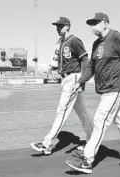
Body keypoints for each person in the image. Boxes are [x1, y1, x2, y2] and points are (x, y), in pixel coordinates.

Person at [66, 12, 120, 174]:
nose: (92, 27)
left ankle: (87, 160)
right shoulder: (97, 44)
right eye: (91, 24)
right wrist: (80, 82)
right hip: (105, 90)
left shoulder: (117, 38)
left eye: (95, 23)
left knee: (99, 120)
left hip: (114, 88)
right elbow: (91, 68)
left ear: (105, 23)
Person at [30, 17, 93, 155]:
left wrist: (82, 81)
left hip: (73, 78)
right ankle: (93, 140)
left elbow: (84, 59)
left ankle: (47, 143)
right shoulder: (60, 43)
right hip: (65, 78)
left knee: (62, 111)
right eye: (56, 26)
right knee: (83, 113)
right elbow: (59, 62)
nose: (57, 28)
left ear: (68, 26)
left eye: (60, 26)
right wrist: (52, 68)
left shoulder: (75, 41)